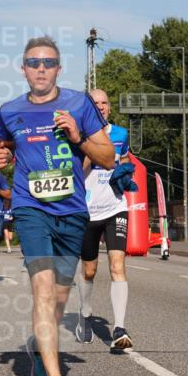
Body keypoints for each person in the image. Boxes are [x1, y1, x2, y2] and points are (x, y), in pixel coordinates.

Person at [0, 36, 114, 376]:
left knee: (59, 299)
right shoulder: (9, 111)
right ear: (23, 68)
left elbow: (108, 157)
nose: (40, 68)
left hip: (73, 210)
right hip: (31, 209)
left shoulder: (79, 103)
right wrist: (2, 156)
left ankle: (41, 358)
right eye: (33, 62)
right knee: (43, 292)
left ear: (59, 68)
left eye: (48, 63)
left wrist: (78, 137)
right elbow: (4, 150)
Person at [76, 89, 134, 350]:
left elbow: (123, 160)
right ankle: (85, 314)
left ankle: (119, 329)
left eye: (104, 103)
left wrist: (124, 172)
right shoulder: (77, 136)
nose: (101, 107)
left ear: (109, 107)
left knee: (117, 264)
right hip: (87, 211)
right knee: (89, 270)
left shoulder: (121, 134)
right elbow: (77, 170)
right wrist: (90, 149)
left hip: (115, 206)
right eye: (95, 103)